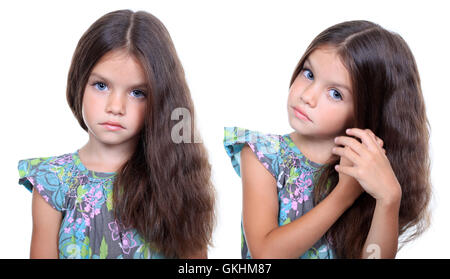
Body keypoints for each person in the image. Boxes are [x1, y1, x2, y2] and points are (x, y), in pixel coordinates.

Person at [223, 20, 431, 259]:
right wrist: (344, 195)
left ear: (368, 109)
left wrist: (389, 198)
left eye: (335, 94)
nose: (307, 96)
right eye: (309, 74)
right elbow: (266, 254)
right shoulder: (263, 154)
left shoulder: (366, 170)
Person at [18, 9, 215, 259]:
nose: (116, 107)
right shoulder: (52, 182)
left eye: (137, 93)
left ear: (160, 101)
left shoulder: (177, 178)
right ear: (79, 82)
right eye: (101, 86)